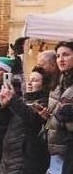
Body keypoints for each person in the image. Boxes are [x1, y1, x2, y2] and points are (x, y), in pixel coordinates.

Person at [0, 66, 51, 174]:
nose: (30, 83)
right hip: (9, 155)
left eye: (35, 80)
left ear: (44, 85)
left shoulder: (45, 103)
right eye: (29, 80)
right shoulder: (21, 100)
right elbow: (3, 123)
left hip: (27, 158)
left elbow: (32, 120)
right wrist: (3, 106)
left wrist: (13, 100)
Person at [41, 41, 73, 174]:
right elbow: (57, 113)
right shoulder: (58, 82)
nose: (61, 59)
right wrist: (48, 116)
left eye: (66, 55)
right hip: (57, 148)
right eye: (58, 56)